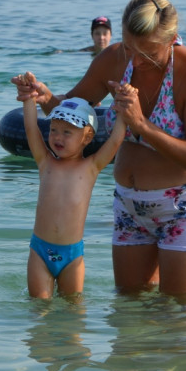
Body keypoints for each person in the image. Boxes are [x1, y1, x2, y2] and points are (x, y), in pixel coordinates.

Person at [12, 0, 186, 296]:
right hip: (129, 206)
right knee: (128, 316)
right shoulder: (114, 58)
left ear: (171, 38)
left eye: (146, 53)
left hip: (182, 207)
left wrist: (140, 125)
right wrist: (44, 97)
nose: (133, 60)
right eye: (128, 46)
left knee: (178, 316)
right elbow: (71, 114)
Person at [22, 92, 127, 298]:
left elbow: (115, 141)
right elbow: (30, 129)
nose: (57, 137)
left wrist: (123, 111)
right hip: (40, 252)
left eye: (67, 132)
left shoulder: (91, 166)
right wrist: (28, 98)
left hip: (72, 256)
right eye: (53, 130)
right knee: (39, 310)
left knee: (73, 314)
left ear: (87, 137)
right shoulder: (45, 162)